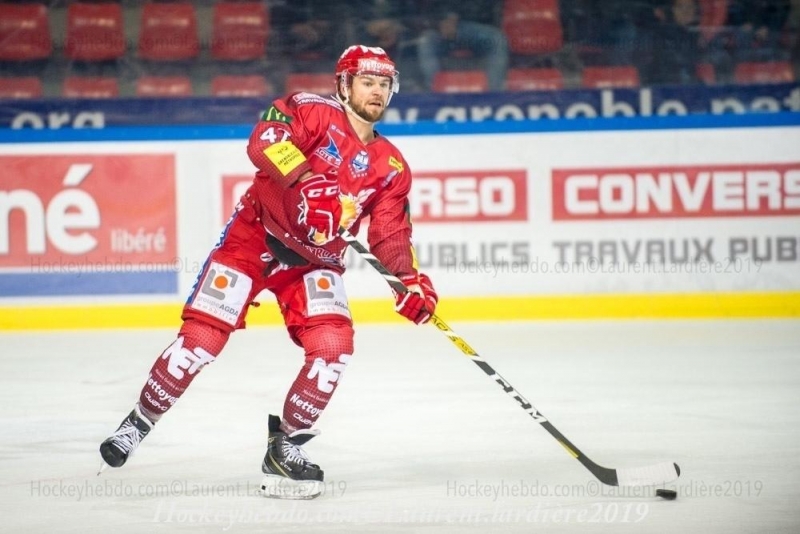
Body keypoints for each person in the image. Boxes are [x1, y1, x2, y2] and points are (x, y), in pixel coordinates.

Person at [98, 44, 438, 499]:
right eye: (367, 81)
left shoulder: (392, 167)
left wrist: (408, 280)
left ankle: (287, 446)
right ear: (343, 84)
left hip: (315, 260)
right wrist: (306, 180)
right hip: (253, 240)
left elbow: (391, 235)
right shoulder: (309, 110)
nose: (376, 92)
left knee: (333, 347)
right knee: (200, 342)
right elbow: (264, 141)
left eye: (384, 84)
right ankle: (138, 422)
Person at [415, 0, 508, 92]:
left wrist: (457, 16)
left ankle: (494, 95)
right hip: (442, 23)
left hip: (477, 24)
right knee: (426, 41)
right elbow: (434, 6)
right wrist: (444, 18)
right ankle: (433, 96)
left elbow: (490, 7)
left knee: (496, 39)